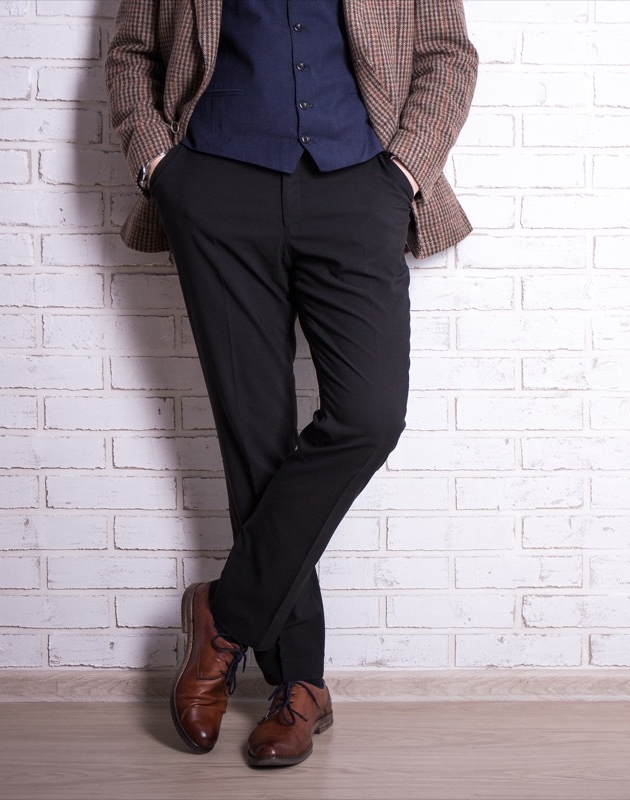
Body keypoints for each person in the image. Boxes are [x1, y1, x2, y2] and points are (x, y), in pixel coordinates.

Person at [105, 0, 478, 768]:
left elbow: (447, 52)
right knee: (256, 439)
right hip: (215, 189)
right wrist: (159, 165)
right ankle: (300, 685)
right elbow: (131, 52)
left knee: (369, 417)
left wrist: (403, 169)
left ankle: (225, 616)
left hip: (358, 187)